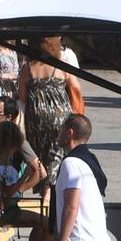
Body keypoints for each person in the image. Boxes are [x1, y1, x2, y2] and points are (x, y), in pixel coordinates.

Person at [19, 39, 83, 172]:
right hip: (60, 115)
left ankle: (44, 187)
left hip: (36, 117)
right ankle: (53, 184)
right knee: (58, 151)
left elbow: (22, 97)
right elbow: (76, 88)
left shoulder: (28, 68)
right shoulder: (62, 66)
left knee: (40, 152)